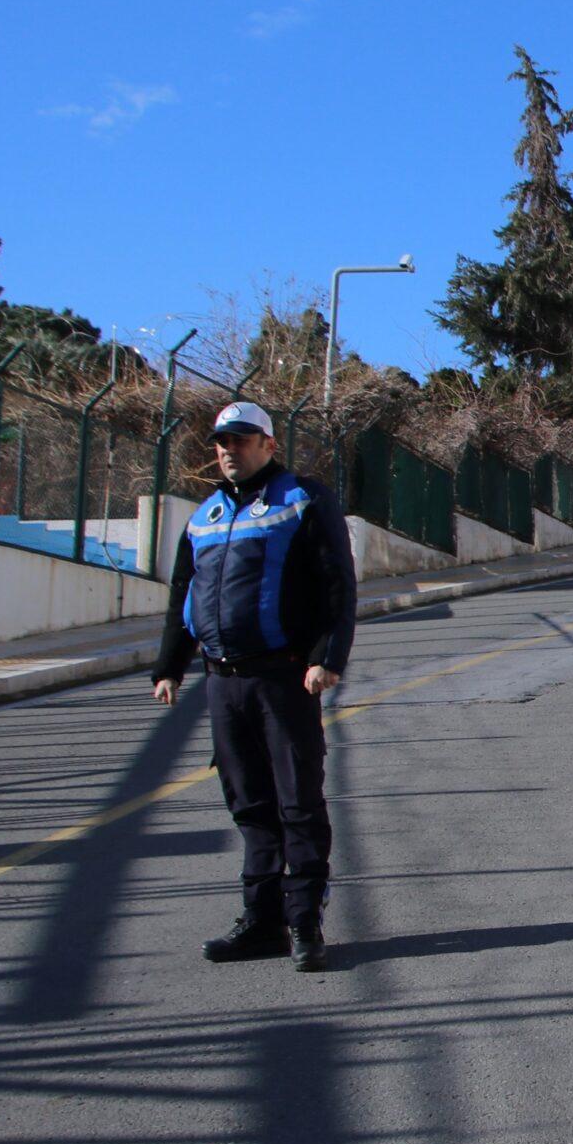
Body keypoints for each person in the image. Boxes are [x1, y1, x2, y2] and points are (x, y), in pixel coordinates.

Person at [151, 399, 359, 973]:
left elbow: (337, 585)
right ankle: (261, 921)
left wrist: (326, 659)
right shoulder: (205, 517)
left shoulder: (302, 500)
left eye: (241, 440)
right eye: (222, 441)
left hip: (283, 677)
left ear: (268, 445)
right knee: (249, 806)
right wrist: (170, 666)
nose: (228, 450)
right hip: (222, 682)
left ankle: (303, 923)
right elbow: (181, 596)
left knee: (298, 802)